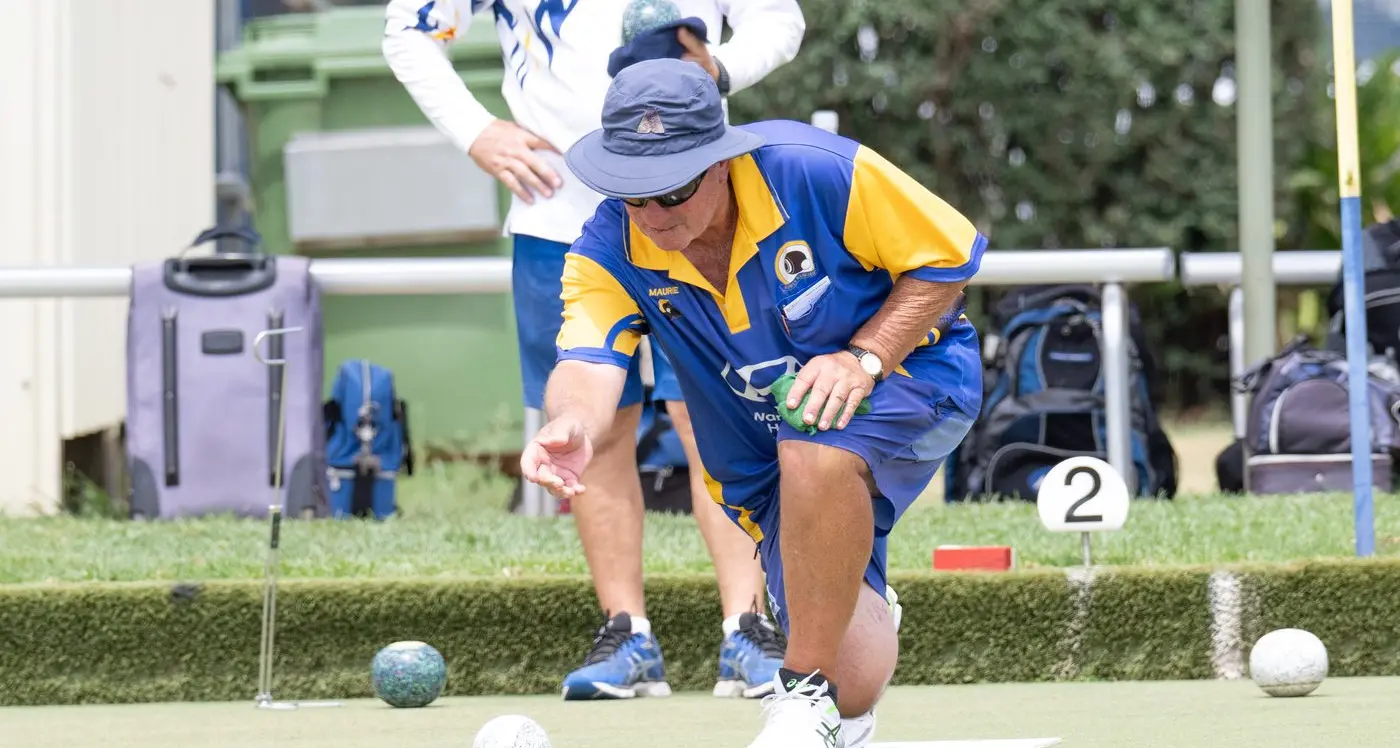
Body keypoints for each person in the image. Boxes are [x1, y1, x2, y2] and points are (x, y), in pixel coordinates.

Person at [521, 58, 986, 748]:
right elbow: (587, 362)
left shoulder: (817, 170)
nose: (652, 216)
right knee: (855, 681)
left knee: (812, 443)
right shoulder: (607, 246)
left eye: (671, 191)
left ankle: (800, 692)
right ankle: (847, 619)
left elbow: (947, 259)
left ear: (718, 163)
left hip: (916, 376)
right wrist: (572, 423)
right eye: (632, 195)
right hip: (759, 458)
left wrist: (863, 357)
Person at [381, 0, 806, 701]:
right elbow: (409, 29)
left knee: (717, 419)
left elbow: (779, 20)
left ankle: (748, 628)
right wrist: (474, 130)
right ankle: (626, 633)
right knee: (591, 430)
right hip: (558, 211)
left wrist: (721, 68)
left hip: (700, 209)